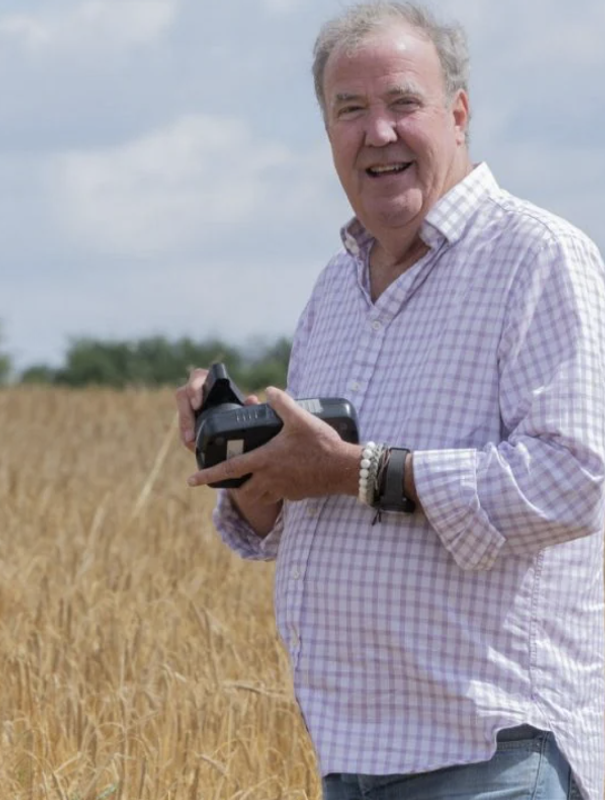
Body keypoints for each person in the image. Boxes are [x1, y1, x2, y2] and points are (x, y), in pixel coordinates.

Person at [176, 3, 604, 799]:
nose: (378, 132)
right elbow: (308, 503)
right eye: (350, 111)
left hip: (492, 754)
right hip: (357, 758)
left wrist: (359, 470)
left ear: (459, 114)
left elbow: (572, 482)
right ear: (327, 132)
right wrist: (241, 456)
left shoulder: (537, 257)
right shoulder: (334, 290)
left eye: (403, 103)